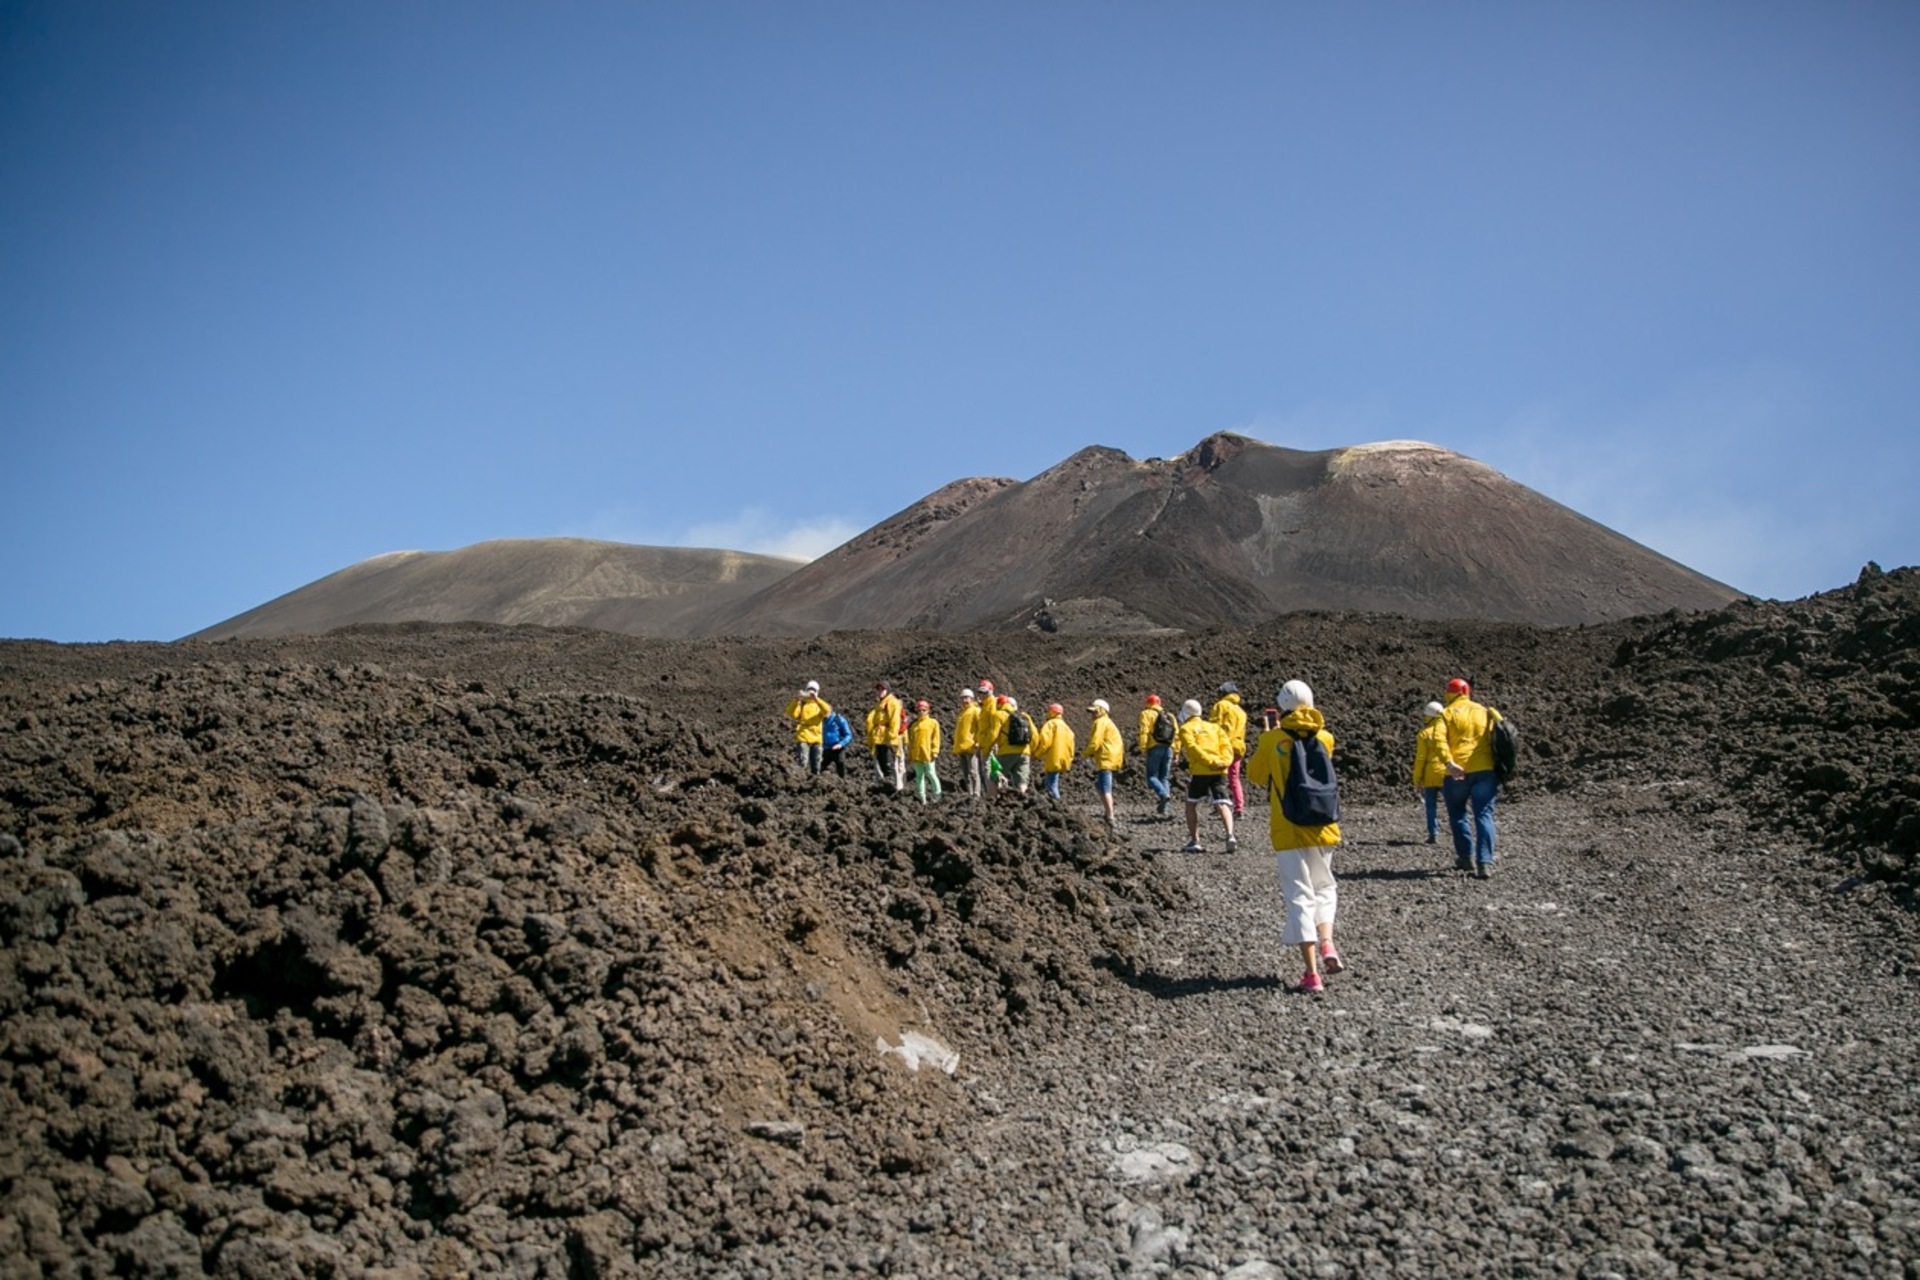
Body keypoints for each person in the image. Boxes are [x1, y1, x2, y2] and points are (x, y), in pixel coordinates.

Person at [1247, 679, 1344, 994]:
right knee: (1324, 887)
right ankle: (1327, 942)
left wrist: (1268, 739)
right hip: (1324, 826)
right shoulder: (1326, 737)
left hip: (1288, 828)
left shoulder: (1272, 739)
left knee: (1300, 894)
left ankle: (1311, 973)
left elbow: (1256, 777)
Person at [1439, 677, 1503, 878]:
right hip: (1484, 770)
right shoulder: (1484, 711)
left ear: (1449, 694)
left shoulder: (1446, 714)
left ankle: (1466, 858)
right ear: (1467, 692)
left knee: (1458, 815)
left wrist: (1449, 763)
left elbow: (1438, 741)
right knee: (1484, 815)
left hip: (1456, 772)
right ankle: (1484, 862)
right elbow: (1500, 736)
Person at [1176, 699, 1237, 853]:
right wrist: (1224, 762)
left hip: (1200, 771)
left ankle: (1195, 841)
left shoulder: (1185, 729)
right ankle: (1230, 835)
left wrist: (1209, 762)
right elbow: (1226, 746)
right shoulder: (1214, 727)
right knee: (1222, 803)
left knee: (1191, 804)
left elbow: (1193, 749)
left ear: (1185, 713)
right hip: (1220, 770)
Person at [1211, 682, 1251, 815]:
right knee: (1234, 778)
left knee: (1217, 777)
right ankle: (1239, 808)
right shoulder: (1241, 711)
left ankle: (1220, 805)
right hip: (1237, 747)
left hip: (1223, 746)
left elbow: (1214, 726)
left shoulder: (1221, 705)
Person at [1411, 700, 1448, 844]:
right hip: (1446, 773)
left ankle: (1433, 833)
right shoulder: (1447, 732)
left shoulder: (1424, 734)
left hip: (1430, 775)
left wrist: (1417, 778)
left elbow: (1420, 759)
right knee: (1453, 804)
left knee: (1431, 806)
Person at [1084, 698, 1124, 829]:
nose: (1092, 715)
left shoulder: (1100, 722)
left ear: (1102, 711)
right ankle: (1108, 813)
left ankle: (1110, 816)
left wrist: (1084, 754)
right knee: (1102, 787)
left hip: (1105, 759)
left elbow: (1095, 742)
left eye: (1094, 712)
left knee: (1105, 788)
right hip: (1110, 758)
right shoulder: (1107, 722)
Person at [1137, 694, 1175, 817]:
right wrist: (1177, 751)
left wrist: (1143, 747)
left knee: (1151, 776)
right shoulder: (1170, 716)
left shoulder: (1146, 714)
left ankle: (1163, 794)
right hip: (1169, 748)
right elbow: (1176, 734)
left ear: (1148, 703)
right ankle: (1165, 809)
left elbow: (1144, 731)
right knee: (1164, 777)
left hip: (1155, 747)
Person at [866, 682, 906, 793]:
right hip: (879, 738)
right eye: (878, 689)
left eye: (882, 689)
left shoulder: (891, 702)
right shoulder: (880, 703)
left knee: (890, 765)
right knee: (883, 763)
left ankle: (896, 790)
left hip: (886, 739)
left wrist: (891, 738)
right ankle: (888, 789)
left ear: (887, 690)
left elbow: (895, 721)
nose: (880, 691)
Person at [784, 681, 830, 775]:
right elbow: (791, 713)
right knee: (803, 763)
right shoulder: (802, 704)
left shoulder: (819, 704)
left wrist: (816, 699)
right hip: (803, 737)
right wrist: (796, 700)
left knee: (816, 766)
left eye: (813, 690)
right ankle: (800, 780)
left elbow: (827, 711)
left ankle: (815, 781)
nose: (810, 692)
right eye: (809, 690)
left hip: (816, 739)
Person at [995, 696, 1037, 795]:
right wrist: (1031, 751)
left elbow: (994, 734)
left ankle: (996, 798)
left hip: (1006, 752)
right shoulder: (1025, 717)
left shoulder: (1000, 715)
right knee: (1022, 782)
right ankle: (1023, 799)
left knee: (995, 776)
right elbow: (1035, 736)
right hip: (1024, 753)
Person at [1034, 702, 1076, 799]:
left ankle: (1057, 804)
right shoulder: (1067, 727)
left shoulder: (1050, 724)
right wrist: (1069, 759)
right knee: (1052, 783)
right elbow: (1071, 746)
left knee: (1051, 787)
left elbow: (1045, 743)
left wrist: (1036, 755)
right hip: (1063, 760)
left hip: (1053, 759)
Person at [908, 699, 943, 803]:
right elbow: (911, 742)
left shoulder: (933, 723)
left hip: (928, 753)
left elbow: (936, 738)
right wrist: (910, 755)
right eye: (919, 710)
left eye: (924, 710)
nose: (921, 712)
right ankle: (922, 797)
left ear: (928, 710)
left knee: (931, 774)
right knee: (919, 776)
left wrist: (935, 751)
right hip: (917, 754)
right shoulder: (914, 725)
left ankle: (938, 795)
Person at [952, 688, 984, 796]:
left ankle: (976, 794)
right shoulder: (961, 714)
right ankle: (970, 794)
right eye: (962, 698)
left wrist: (978, 741)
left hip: (971, 746)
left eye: (966, 698)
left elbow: (980, 728)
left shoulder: (976, 711)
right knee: (966, 773)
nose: (964, 700)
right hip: (962, 747)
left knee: (974, 772)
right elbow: (958, 732)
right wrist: (955, 747)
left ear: (972, 698)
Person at [820, 702, 853, 777]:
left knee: (840, 766)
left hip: (837, 749)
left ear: (830, 711)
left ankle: (842, 781)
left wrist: (841, 744)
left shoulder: (838, 720)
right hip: (825, 749)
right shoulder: (821, 721)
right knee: (820, 768)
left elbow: (848, 735)